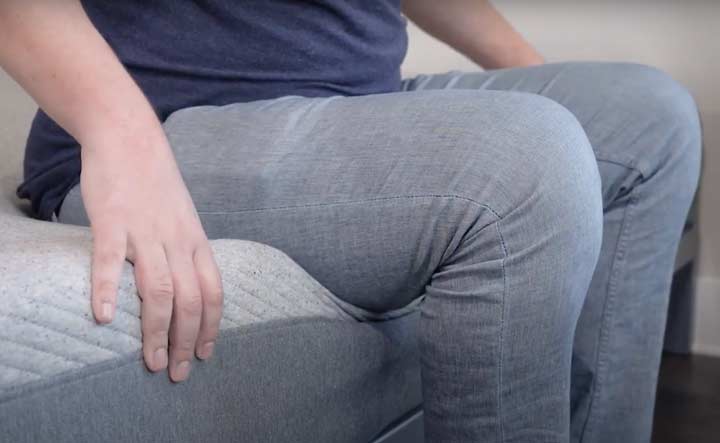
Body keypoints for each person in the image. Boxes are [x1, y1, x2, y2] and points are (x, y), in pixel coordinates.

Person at [0, 1, 701, 442]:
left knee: (651, 120)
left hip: (360, 102)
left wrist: (541, 82)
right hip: (167, 123)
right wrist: (120, 132)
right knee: (525, 164)